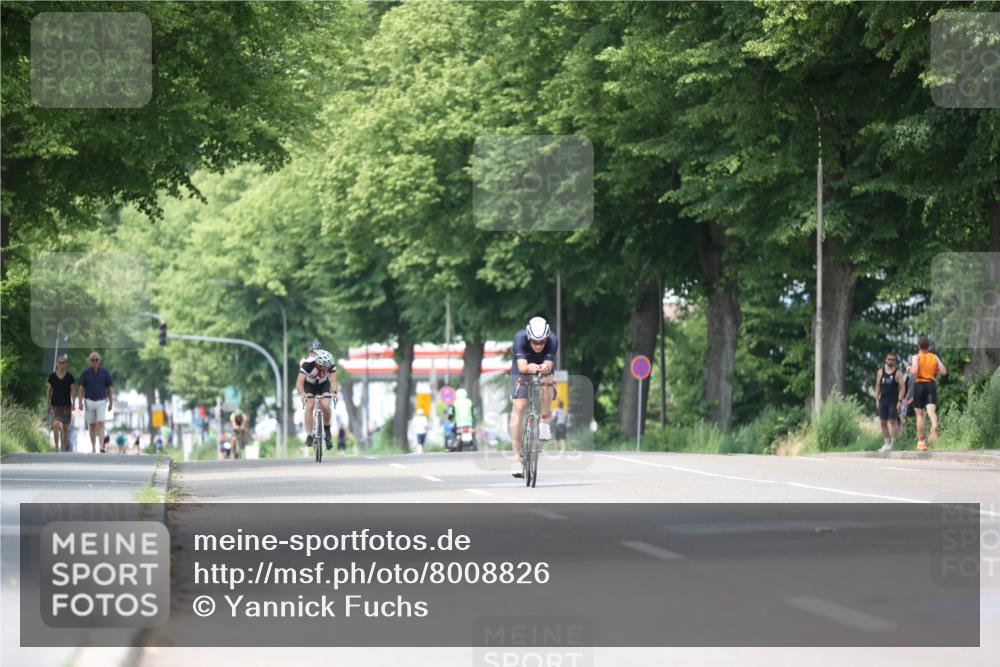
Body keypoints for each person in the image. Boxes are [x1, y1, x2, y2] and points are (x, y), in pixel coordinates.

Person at [509, 316, 558, 478]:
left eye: (542, 342)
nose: (538, 345)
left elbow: (549, 364)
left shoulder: (552, 339)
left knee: (548, 381)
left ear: (546, 338)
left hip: (542, 368)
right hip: (522, 369)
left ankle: (544, 420)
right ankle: (516, 458)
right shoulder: (520, 338)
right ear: (529, 338)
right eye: (535, 342)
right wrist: (530, 367)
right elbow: (522, 367)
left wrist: (545, 366)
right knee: (519, 407)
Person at [908, 335, 947, 451]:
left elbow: (914, 371)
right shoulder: (934, 357)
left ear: (918, 346)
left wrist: (908, 369)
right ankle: (934, 425)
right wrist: (935, 369)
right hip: (931, 385)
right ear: (928, 346)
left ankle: (921, 442)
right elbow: (944, 371)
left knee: (920, 415)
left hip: (920, 385)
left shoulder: (916, 357)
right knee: (931, 411)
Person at [296, 348, 337, 450]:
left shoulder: (330, 365)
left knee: (325, 404)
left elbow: (333, 381)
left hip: (323, 384)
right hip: (310, 384)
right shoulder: (307, 365)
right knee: (310, 404)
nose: (328, 369)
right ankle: (309, 435)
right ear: (319, 364)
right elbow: (299, 382)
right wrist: (302, 393)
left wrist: (335, 393)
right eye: (326, 367)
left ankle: (327, 430)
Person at [77, 352, 113, 454]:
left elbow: (109, 389)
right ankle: (93, 447)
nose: (95, 361)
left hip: (101, 401)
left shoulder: (105, 373)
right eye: (93, 360)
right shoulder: (85, 373)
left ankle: (101, 446)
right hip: (88, 402)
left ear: (99, 361)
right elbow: (81, 389)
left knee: (101, 422)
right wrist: (80, 402)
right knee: (92, 425)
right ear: (90, 361)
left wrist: (111, 403)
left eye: (97, 359)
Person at [875, 353, 904, 452]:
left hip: (893, 400)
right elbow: (878, 386)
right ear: (886, 360)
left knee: (893, 421)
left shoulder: (898, 373)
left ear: (895, 361)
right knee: (883, 422)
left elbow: (902, 387)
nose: (891, 361)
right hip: (883, 400)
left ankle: (893, 444)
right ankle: (886, 444)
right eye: (889, 359)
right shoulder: (880, 372)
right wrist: (877, 400)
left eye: (893, 360)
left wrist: (900, 401)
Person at [46, 354, 75, 452]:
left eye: (63, 362)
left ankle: (63, 447)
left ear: (66, 364)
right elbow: (49, 390)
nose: (61, 364)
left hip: (66, 405)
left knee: (65, 428)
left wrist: (73, 403)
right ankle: (56, 447)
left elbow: (73, 390)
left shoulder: (70, 377)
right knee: (55, 424)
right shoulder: (52, 377)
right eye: (60, 363)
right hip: (55, 405)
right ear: (57, 364)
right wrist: (48, 403)